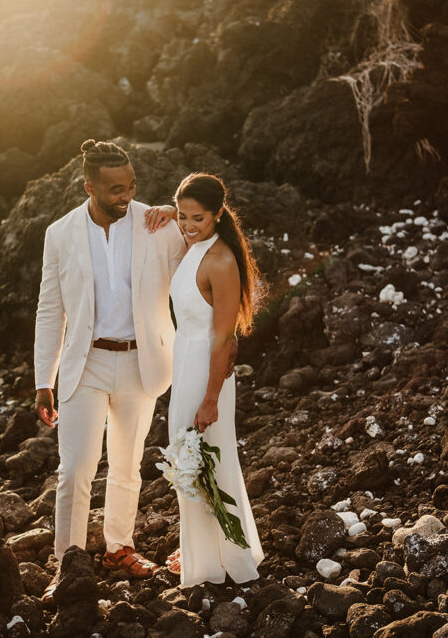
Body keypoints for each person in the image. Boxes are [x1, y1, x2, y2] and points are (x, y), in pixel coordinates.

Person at [33, 139, 186, 604]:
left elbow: (205, 249)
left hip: (144, 361)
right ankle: (68, 563)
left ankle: (119, 546)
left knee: (126, 466)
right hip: (86, 363)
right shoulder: (59, 234)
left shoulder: (156, 225)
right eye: (116, 189)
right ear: (89, 187)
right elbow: (49, 309)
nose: (126, 195)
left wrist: (177, 214)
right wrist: (44, 380)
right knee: (76, 469)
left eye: (131, 186)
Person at [164, 172, 264, 587]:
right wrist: (161, 212)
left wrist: (210, 399)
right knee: (191, 461)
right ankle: (202, 551)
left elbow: (224, 338)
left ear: (219, 215)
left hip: (205, 374)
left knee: (202, 462)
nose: (187, 225)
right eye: (181, 215)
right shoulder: (193, 246)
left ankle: (214, 562)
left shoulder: (220, 261)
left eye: (197, 218)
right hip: (184, 364)